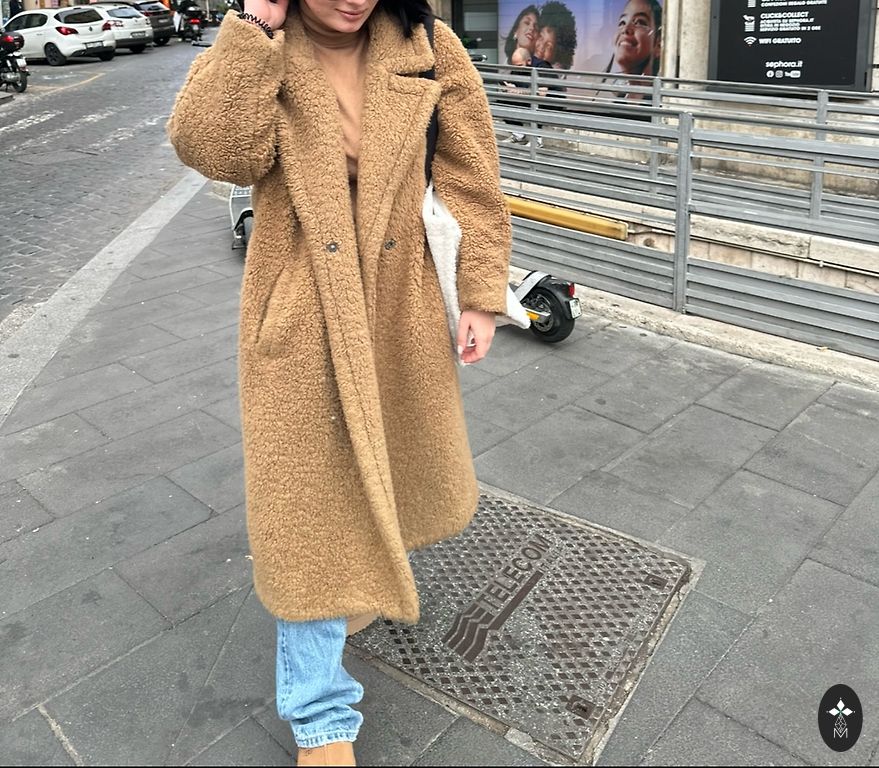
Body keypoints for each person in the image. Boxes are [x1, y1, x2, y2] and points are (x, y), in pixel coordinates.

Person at [167, 0, 512, 765]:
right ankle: (320, 715)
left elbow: (471, 179)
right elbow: (214, 150)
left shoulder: (429, 46)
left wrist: (481, 294)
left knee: (380, 467)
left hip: (398, 302)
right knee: (307, 514)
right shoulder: (266, 46)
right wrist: (255, 29)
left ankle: (356, 582)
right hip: (302, 304)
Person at [604, 0, 662, 99]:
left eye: (639, 22)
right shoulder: (617, 96)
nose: (625, 29)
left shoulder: (665, 99)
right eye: (622, 22)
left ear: (658, 43)